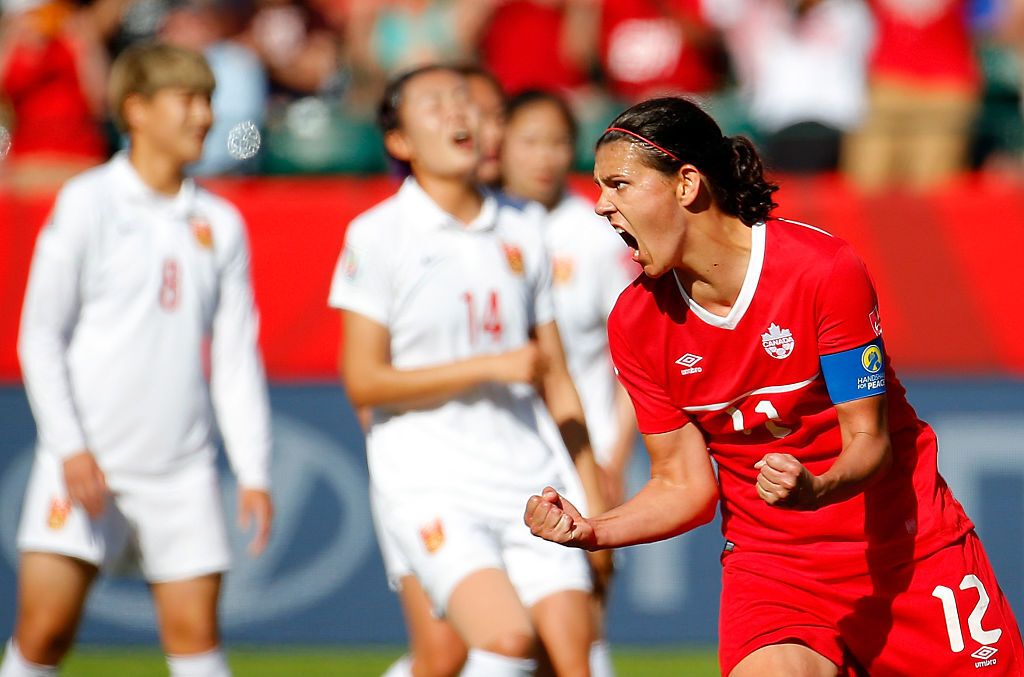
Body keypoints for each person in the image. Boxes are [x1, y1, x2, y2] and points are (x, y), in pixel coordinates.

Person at [525, 96, 1024, 676]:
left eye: (619, 184)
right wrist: (593, 529)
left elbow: (870, 441)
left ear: (686, 184)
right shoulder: (636, 323)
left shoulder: (822, 270)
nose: (601, 206)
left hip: (905, 552)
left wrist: (817, 487)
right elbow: (682, 485)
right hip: (776, 570)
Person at [1, 43, 273, 677]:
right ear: (137, 111)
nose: (205, 116)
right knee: (42, 636)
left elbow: (235, 356)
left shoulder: (221, 222)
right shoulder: (88, 203)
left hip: (181, 471)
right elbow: (40, 337)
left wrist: (253, 467)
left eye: (208, 100)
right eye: (188, 100)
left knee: (196, 639)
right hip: (87, 464)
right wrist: (70, 449)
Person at [330, 64, 603, 677]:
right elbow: (364, 381)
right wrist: (490, 366)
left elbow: (555, 372)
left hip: (528, 476)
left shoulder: (524, 225)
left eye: (465, 101)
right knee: (503, 641)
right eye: (434, 104)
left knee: (573, 658)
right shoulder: (378, 234)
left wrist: (592, 490)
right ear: (399, 142)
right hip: (431, 483)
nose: (457, 113)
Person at [501, 88, 637, 676]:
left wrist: (613, 457)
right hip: (502, 449)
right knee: (503, 632)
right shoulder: (488, 229)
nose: (545, 157)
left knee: (584, 612)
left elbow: (633, 357)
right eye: (530, 140)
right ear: (500, 144)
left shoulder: (598, 233)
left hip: (585, 449)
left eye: (558, 142)